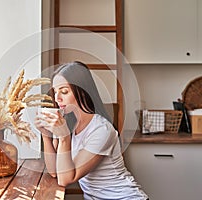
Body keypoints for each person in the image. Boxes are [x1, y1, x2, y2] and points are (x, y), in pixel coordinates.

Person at [35, 61, 148, 200]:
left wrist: (64, 137)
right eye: (55, 91)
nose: (57, 98)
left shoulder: (102, 130)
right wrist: (46, 136)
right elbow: (54, 172)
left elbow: (65, 179)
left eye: (64, 91)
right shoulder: (70, 124)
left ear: (82, 92)